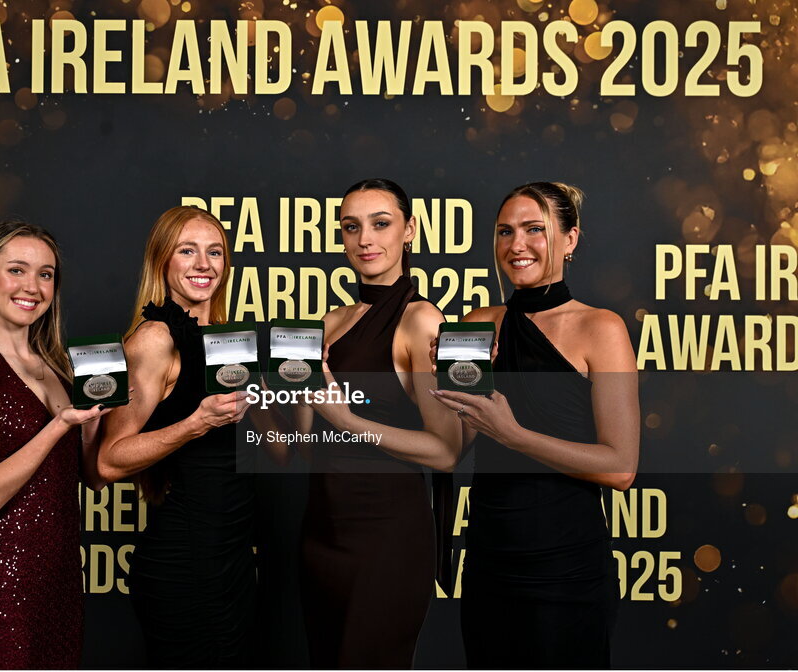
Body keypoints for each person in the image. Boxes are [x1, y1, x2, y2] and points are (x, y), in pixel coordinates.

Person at [431, 182, 639, 668]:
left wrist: (514, 435)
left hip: (566, 566)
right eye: (505, 231)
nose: (516, 245)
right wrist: (439, 383)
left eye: (534, 230)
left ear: (570, 240)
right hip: (489, 559)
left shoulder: (600, 328)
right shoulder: (479, 320)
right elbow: (455, 444)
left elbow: (621, 467)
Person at [291, 179, 461, 668]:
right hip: (322, 535)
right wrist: (301, 391)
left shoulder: (421, 319)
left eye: (380, 224)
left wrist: (346, 419)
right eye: (351, 227)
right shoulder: (329, 321)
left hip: (387, 539)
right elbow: (306, 446)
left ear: (409, 231)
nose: (365, 239)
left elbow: (446, 450)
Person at [0, 220, 109, 669]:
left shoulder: (58, 367)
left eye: (46, 274)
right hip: (0, 594)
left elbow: (90, 478)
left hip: (61, 589)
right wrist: (57, 427)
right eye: (16, 270)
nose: (32, 286)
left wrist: (92, 426)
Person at [96, 205, 253, 668]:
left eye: (215, 252)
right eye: (188, 251)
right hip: (183, 561)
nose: (204, 265)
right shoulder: (154, 340)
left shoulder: (228, 341)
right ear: (162, 260)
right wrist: (195, 423)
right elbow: (108, 460)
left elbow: (278, 455)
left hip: (233, 560)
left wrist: (284, 395)